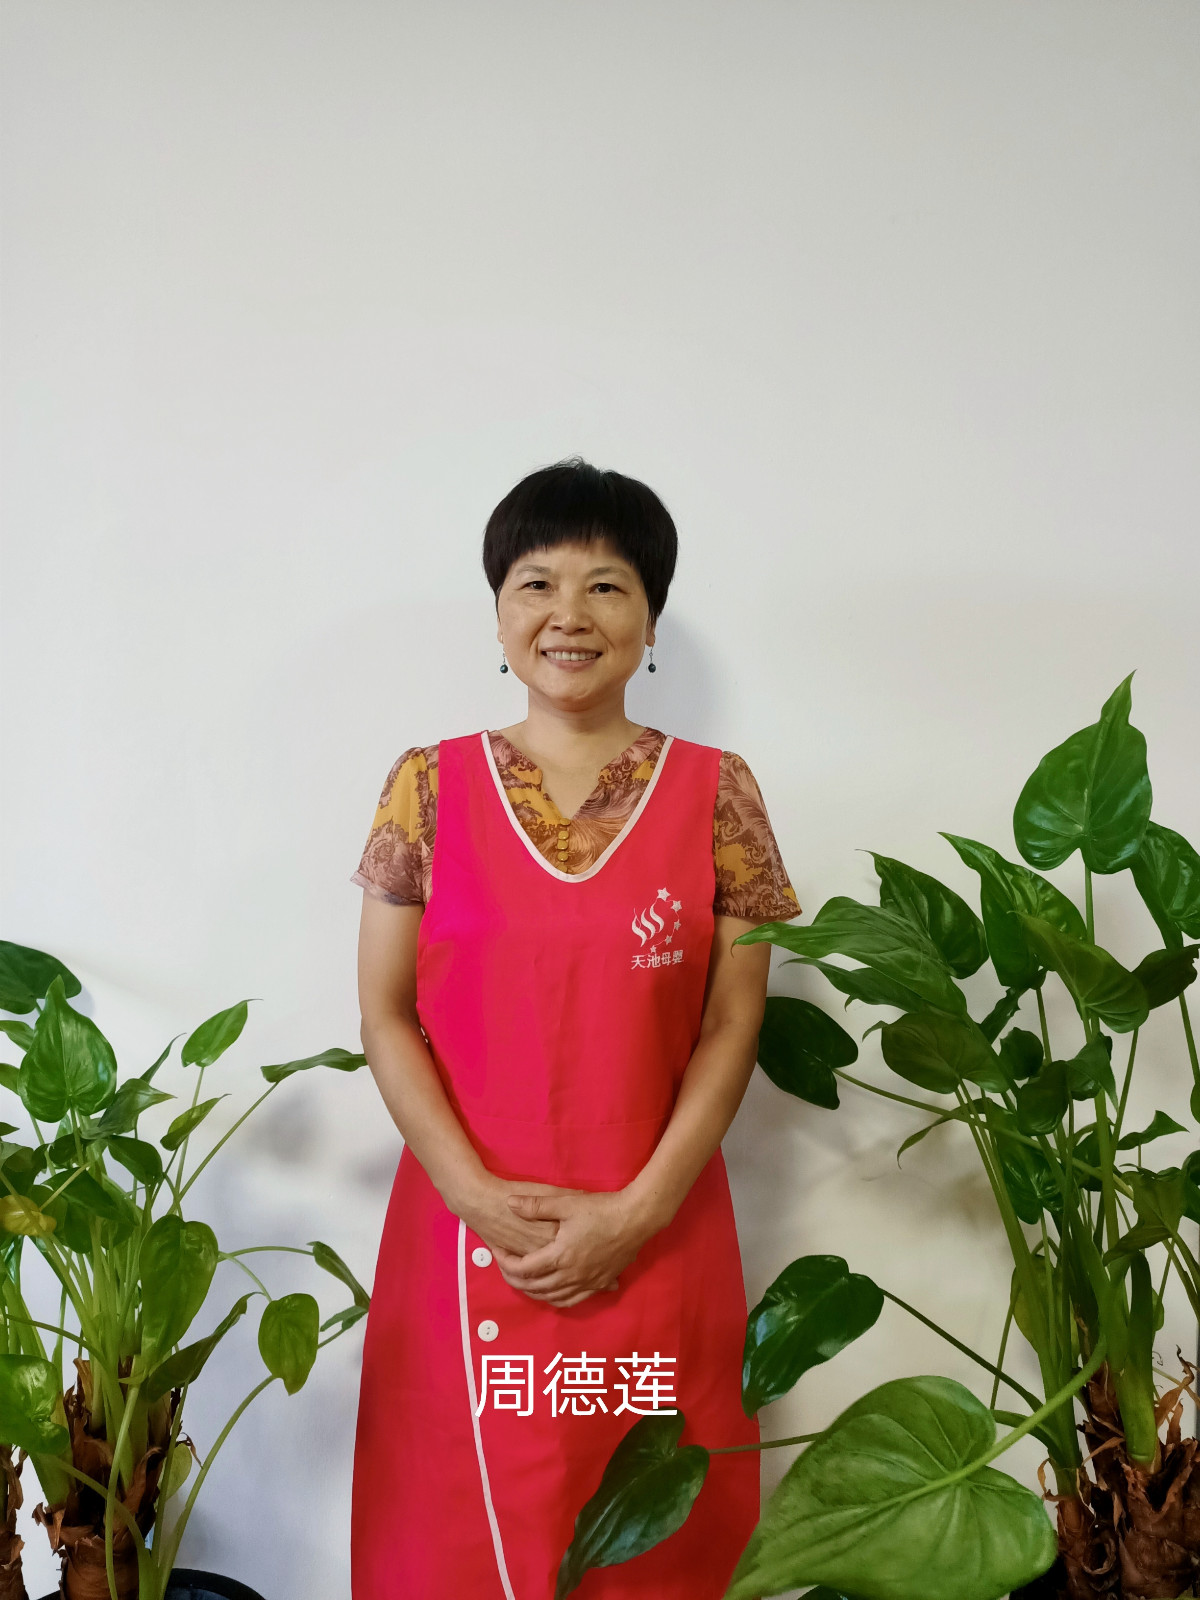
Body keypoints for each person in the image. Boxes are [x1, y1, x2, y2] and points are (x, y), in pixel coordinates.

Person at [349, 456, 800, 1599]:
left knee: (652, 1542)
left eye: (606, 585)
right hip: (465, 1238)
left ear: (650, 617)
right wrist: (472, 1193)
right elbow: (386, 1012)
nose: (569, 614)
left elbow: (732, 1022)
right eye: (536, 582)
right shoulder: (427, 787)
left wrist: (635, 1212)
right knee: (451, 1539)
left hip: (656, 1227)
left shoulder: (720, 793)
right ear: (499, 610)